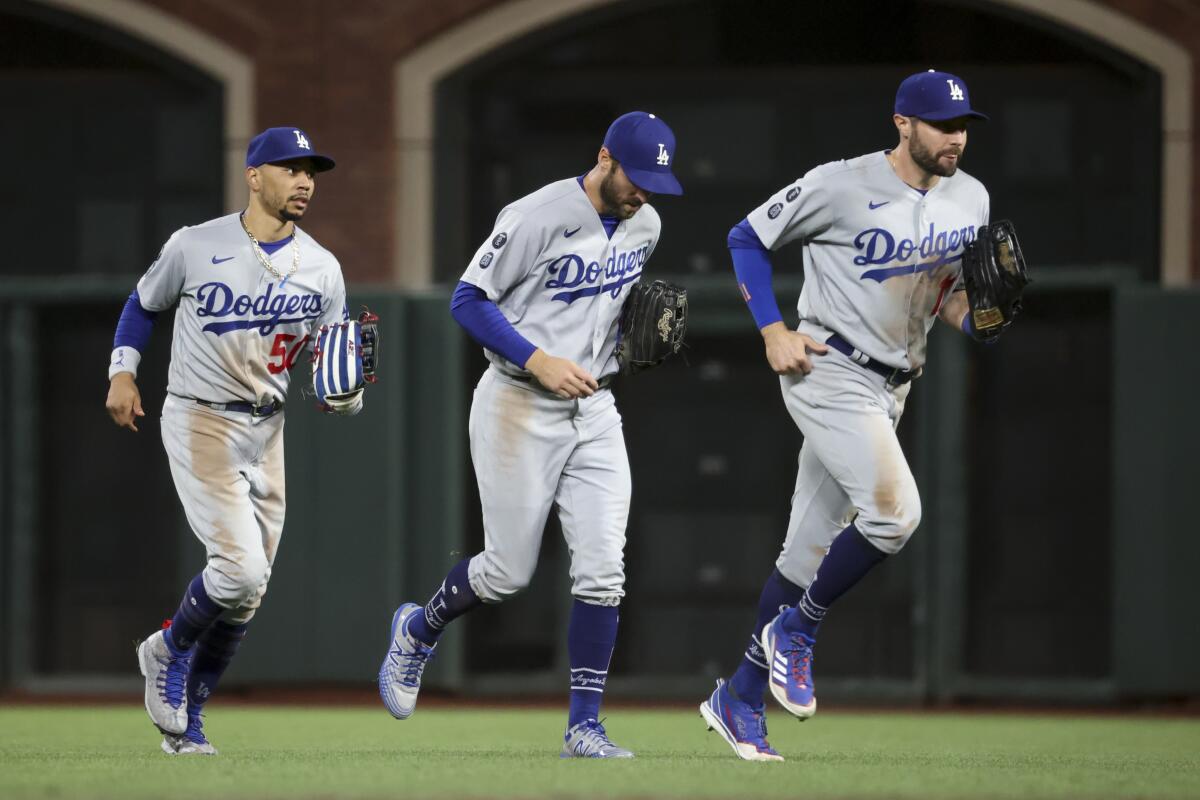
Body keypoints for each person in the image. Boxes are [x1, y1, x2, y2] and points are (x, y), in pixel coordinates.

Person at [699, 70, 991, 761]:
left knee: (806, 550)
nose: (955, 139)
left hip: (894, 384)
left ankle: (738, 698)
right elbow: (746, 237)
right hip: (827, 367)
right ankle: (798, 630)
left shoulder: (971, 197)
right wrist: (772, 329)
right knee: (895, 514)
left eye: (963, 127)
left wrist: (977, 318)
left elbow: (942, 293)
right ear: (902, 124)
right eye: (942, 125)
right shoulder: (839, 183)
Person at [377, 111, 683, 758]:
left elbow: (609, 308)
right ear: (604, 157)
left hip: (596, 410)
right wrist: (538, 357)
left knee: (603, 571)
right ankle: (419, 630)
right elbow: (467, 299)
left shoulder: (646, 224)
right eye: (637, 175)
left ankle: (584, 727)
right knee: (508, 572)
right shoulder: (537, 214)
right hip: (517, 401)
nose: (645, 191)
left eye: (657, 180)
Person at [105, 126, 355, 755]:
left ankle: (188, 729)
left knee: (248, 595)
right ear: (253, 175)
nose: (304, 181)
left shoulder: (323, 267)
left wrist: (342, 392)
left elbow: (333, 362)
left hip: (266, 428)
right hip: (200, 417)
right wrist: (122, 370)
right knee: (238, 570)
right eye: (291, 168)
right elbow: (142, 304)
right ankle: (165, 649)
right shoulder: (196, 244)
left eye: (311, 172)